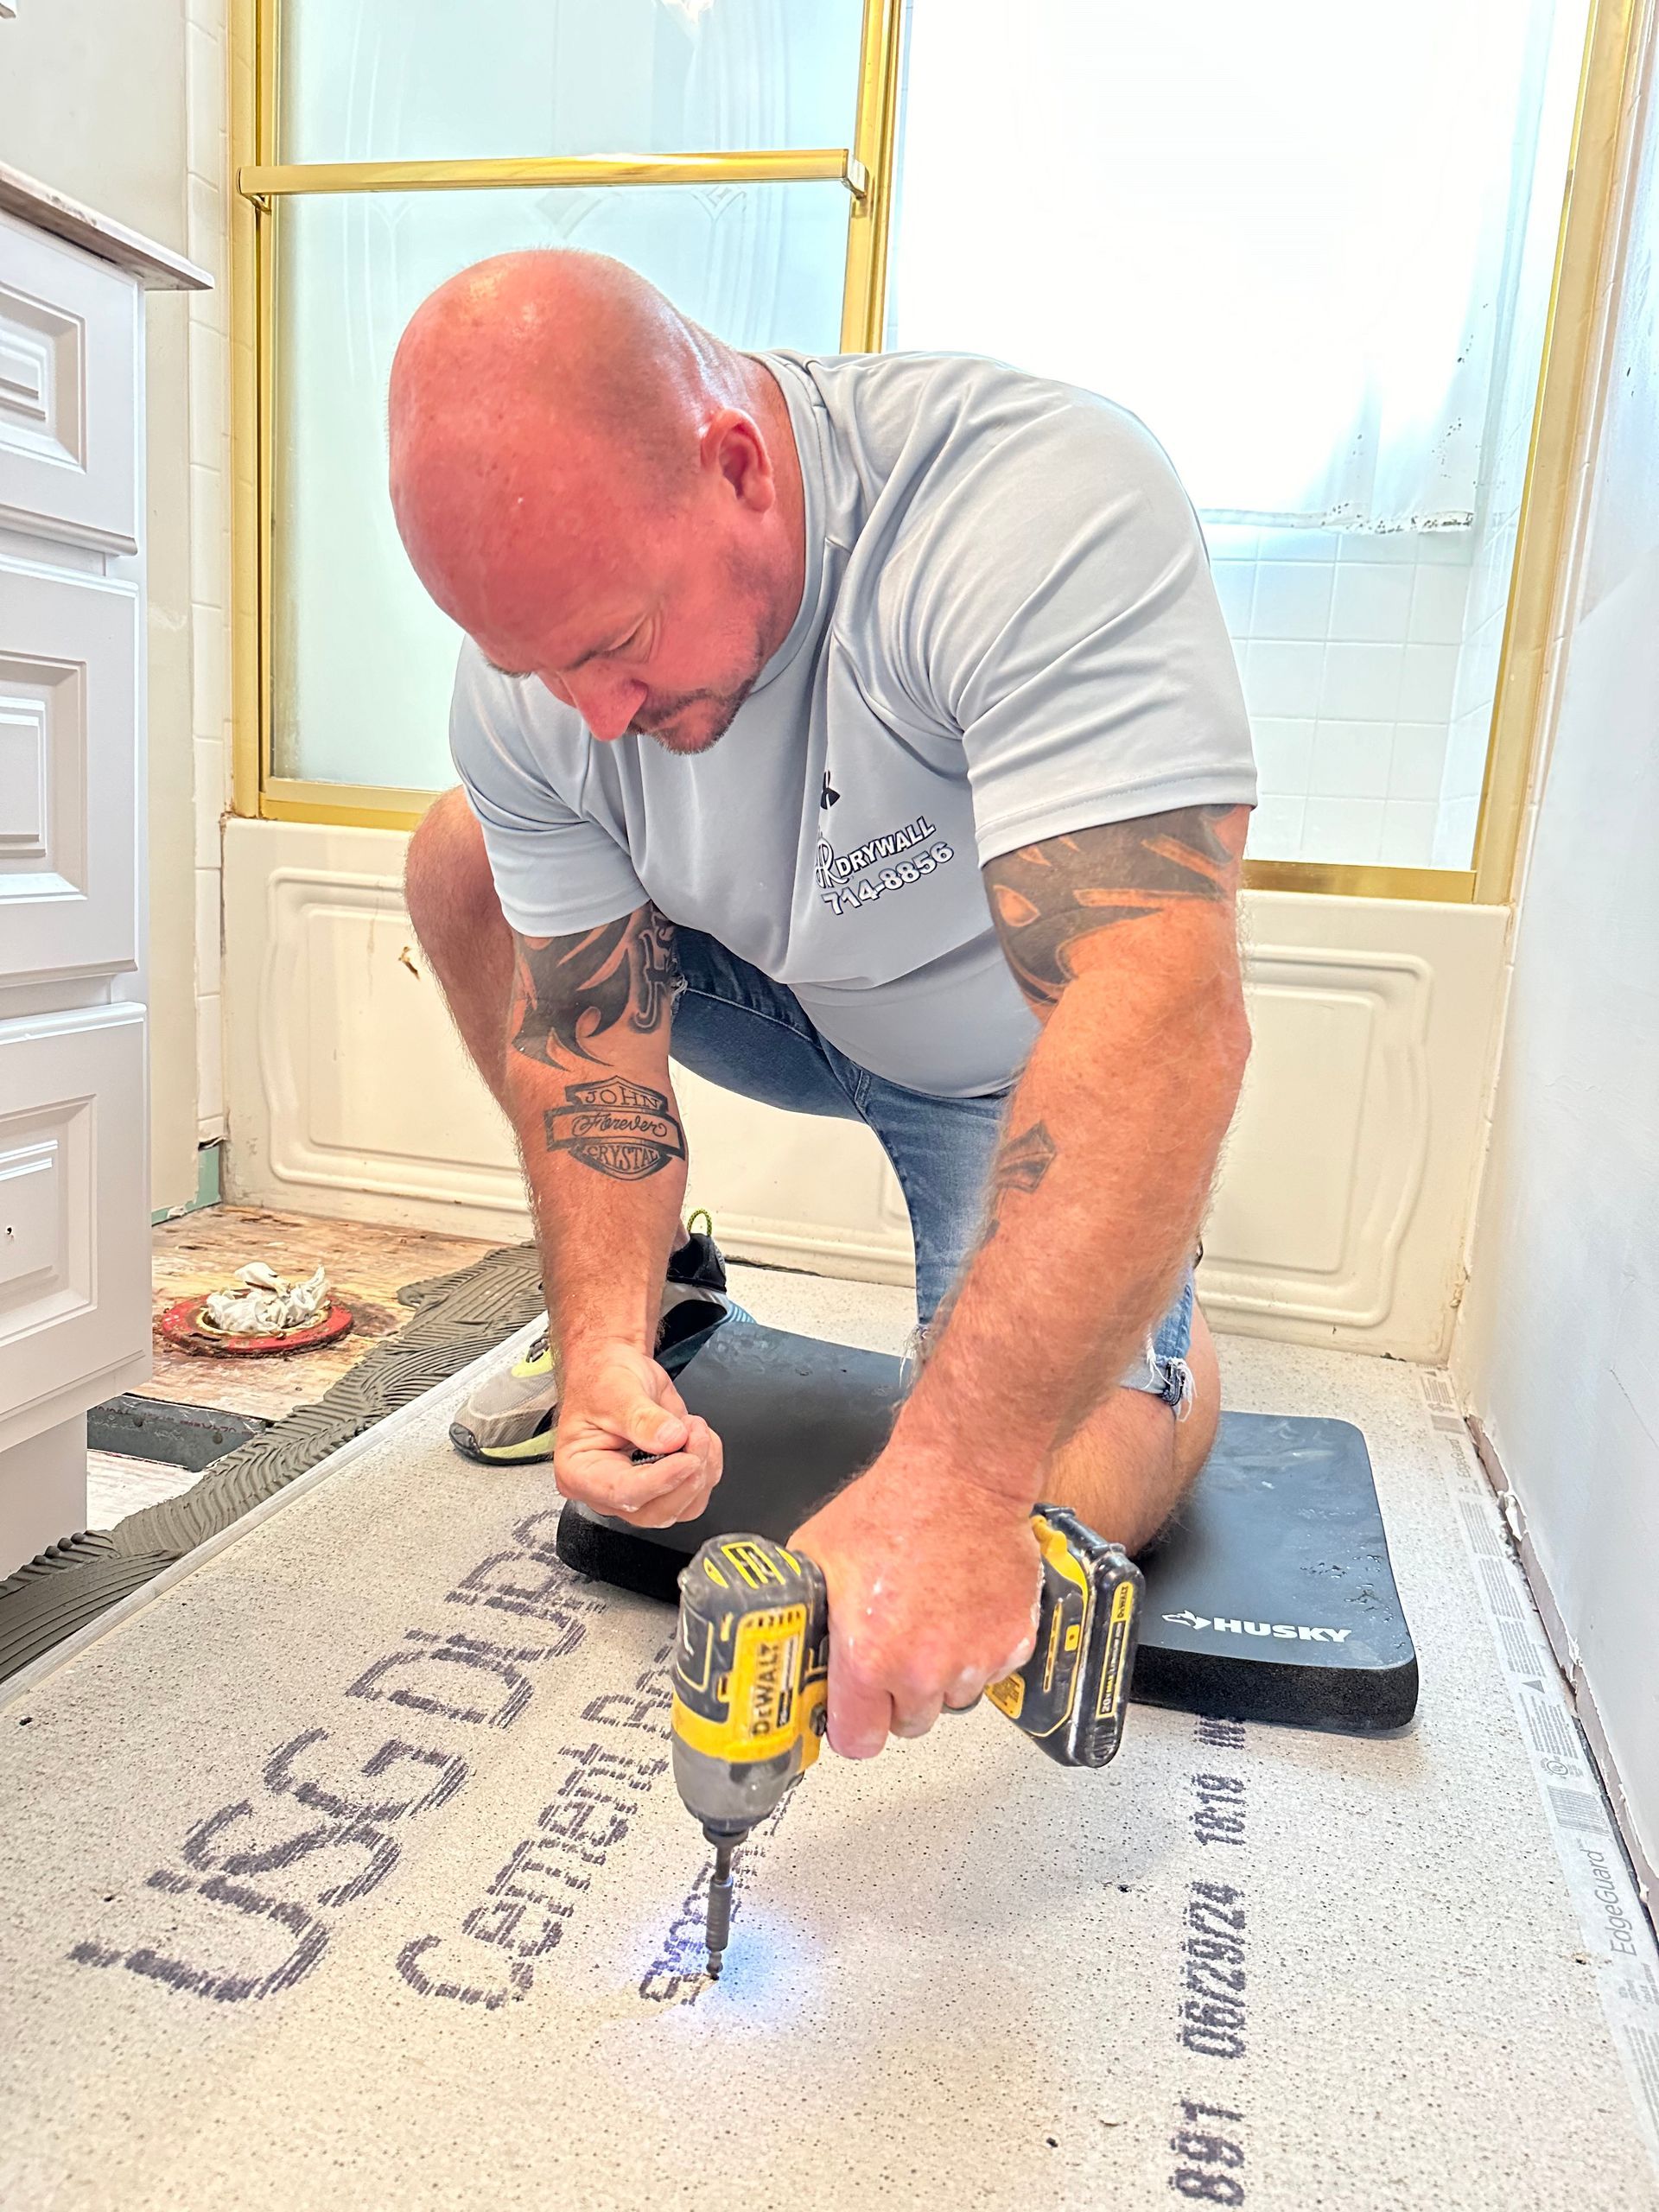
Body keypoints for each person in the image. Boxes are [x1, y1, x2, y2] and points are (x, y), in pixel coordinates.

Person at [388, 249, 1255, 1764]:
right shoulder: (538, 699)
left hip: (1005, 1060)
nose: (593, 717)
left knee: (1065, 1462)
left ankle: (1165, 1343)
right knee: (463, 855)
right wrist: (603, 1336)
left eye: (613, 645)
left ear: (739, 467)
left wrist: (960, 1480)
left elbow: (1160, 1004)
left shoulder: (1027, 510)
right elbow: (593, 1036)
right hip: (780, 987)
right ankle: (649, 1301)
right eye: (534, 665)